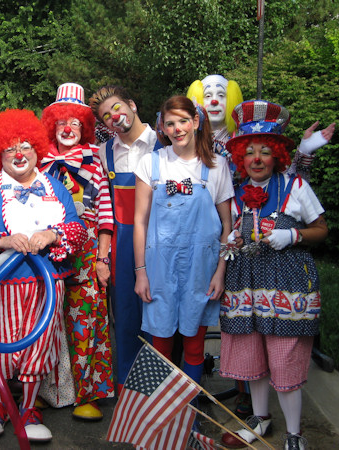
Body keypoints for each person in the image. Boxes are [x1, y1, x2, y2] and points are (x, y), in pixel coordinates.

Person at [0, 109, 88, 442]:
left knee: (38, 348)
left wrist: (54, 235)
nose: (19, 155)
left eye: (27, 147)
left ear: (38, 150)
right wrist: (1, 240)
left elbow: (77, 229)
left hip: (47, 287)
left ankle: (29, 408)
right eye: (10, 148)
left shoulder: (55, 187)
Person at [218, 100, 328, 450]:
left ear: (277, 154)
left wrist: (292, 235)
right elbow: (228, 236)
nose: (257, 159)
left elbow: (321, 229)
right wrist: (232, 241)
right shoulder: (235, 194)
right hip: (245, 286)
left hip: (288, 287)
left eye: (265, 151)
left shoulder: (295, 187)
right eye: (249, 152)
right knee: (253, 357)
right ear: (241, 157)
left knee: (284, 359)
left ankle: (294, 434)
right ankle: (260, 419)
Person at [133, 95, 233, 390]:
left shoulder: (216, 167)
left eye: (183, 122)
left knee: (194, 344)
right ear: (162, 127)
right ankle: (161, 417)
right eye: (170, 123)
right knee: (160, 343)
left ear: (196, 122)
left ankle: (190, 414)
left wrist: (220, 272)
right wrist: (140, 272)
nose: (177, 129)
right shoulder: (151, 163)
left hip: (200, 271)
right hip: (158, 270)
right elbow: (140, 222)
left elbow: (227, 226)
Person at [39, 83, 115, 420]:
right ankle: (50, 390)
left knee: (87, 319)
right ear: (51, 125)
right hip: (47, 246)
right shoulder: (38, 160)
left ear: (84, 127)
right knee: (48, 319)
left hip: (86, 249)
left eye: (74, 122)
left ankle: (87, 392)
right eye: (60, 122)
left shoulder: (94, 161)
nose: (67, 129)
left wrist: (102, 258)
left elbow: (106, 212)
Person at [88, 85, 161, 391]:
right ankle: (131, 393)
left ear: (131, 104)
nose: (114, 117)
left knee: (161, 315)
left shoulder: (165, 140)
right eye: (106, 116)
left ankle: (166, 391)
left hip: (161, 238)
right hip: (122, 243)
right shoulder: (104, 153)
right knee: (127, 317)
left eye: (117, 108)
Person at [186, 74, 335, 183]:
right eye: (207, 96)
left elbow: (286, 183)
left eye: (221, 95)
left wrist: (304, 152)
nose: (214, 101)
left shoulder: (246, 138)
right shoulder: (184, 143)